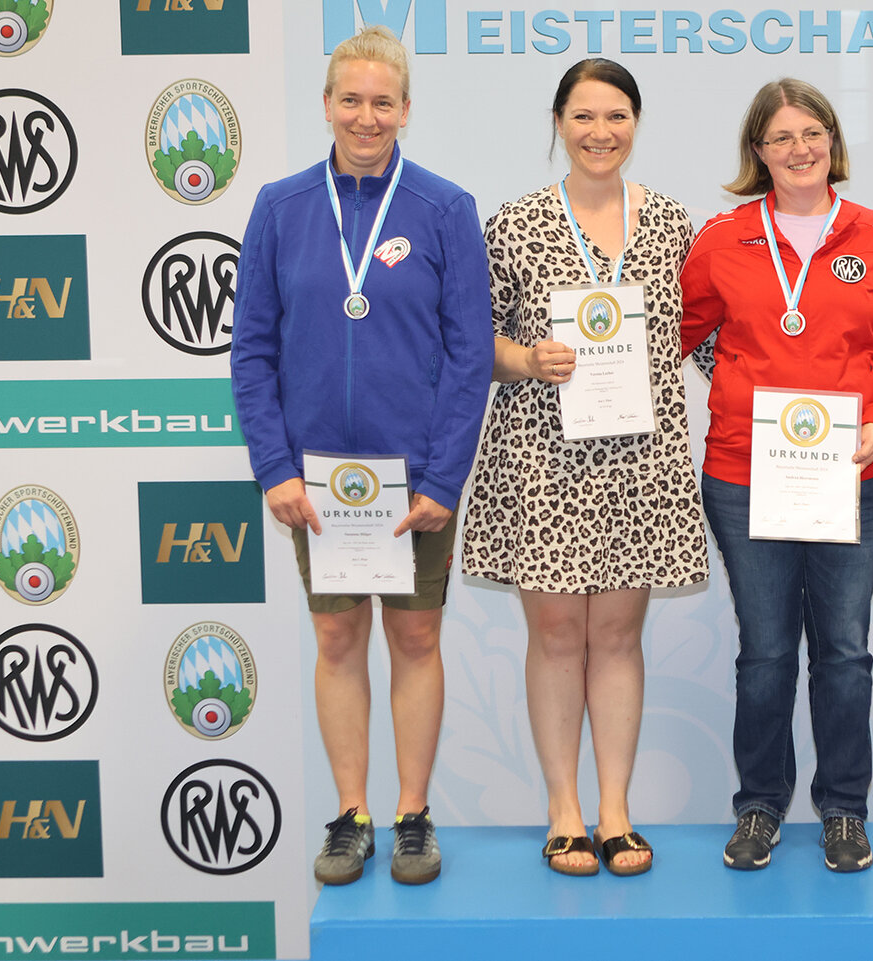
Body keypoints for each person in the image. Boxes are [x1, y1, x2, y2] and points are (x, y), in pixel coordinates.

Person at [230, 25, 493, 886]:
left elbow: (470, 354)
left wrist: (445, 477)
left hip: (415, 480)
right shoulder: (279, 207)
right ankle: (352, 815)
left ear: (406, 109)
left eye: (383, 102)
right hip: (319, 482)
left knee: (415, 636)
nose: (366, 117)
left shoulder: (445, 209)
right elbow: (251, 350)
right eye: (352, 99)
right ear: (327, 104)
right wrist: (274, 466)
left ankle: (413, 815)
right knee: (337, 636)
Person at [680, 78, 873, 873]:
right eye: (782, 137)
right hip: (744, 476)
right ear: (757, 151)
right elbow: (674, 334)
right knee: (764, 651)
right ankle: (759, 805)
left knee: (844, 651)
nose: (800, 149)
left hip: (857, 476)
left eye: (813, 132)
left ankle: (844, 809)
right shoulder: (722, 238)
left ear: (833, 140)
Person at [461, 58, 708, 878]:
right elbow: (473, 341)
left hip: (640, 464)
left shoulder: (672, 223)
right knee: (559, 634)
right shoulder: (514, 223)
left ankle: (615, 811)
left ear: (636, 123)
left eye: (616, 116)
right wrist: (528, 358)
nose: (601, 132)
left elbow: (709, 339)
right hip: (544, 460)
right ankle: (564, 810)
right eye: (583, 116)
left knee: (619, 636)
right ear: (558, 122)